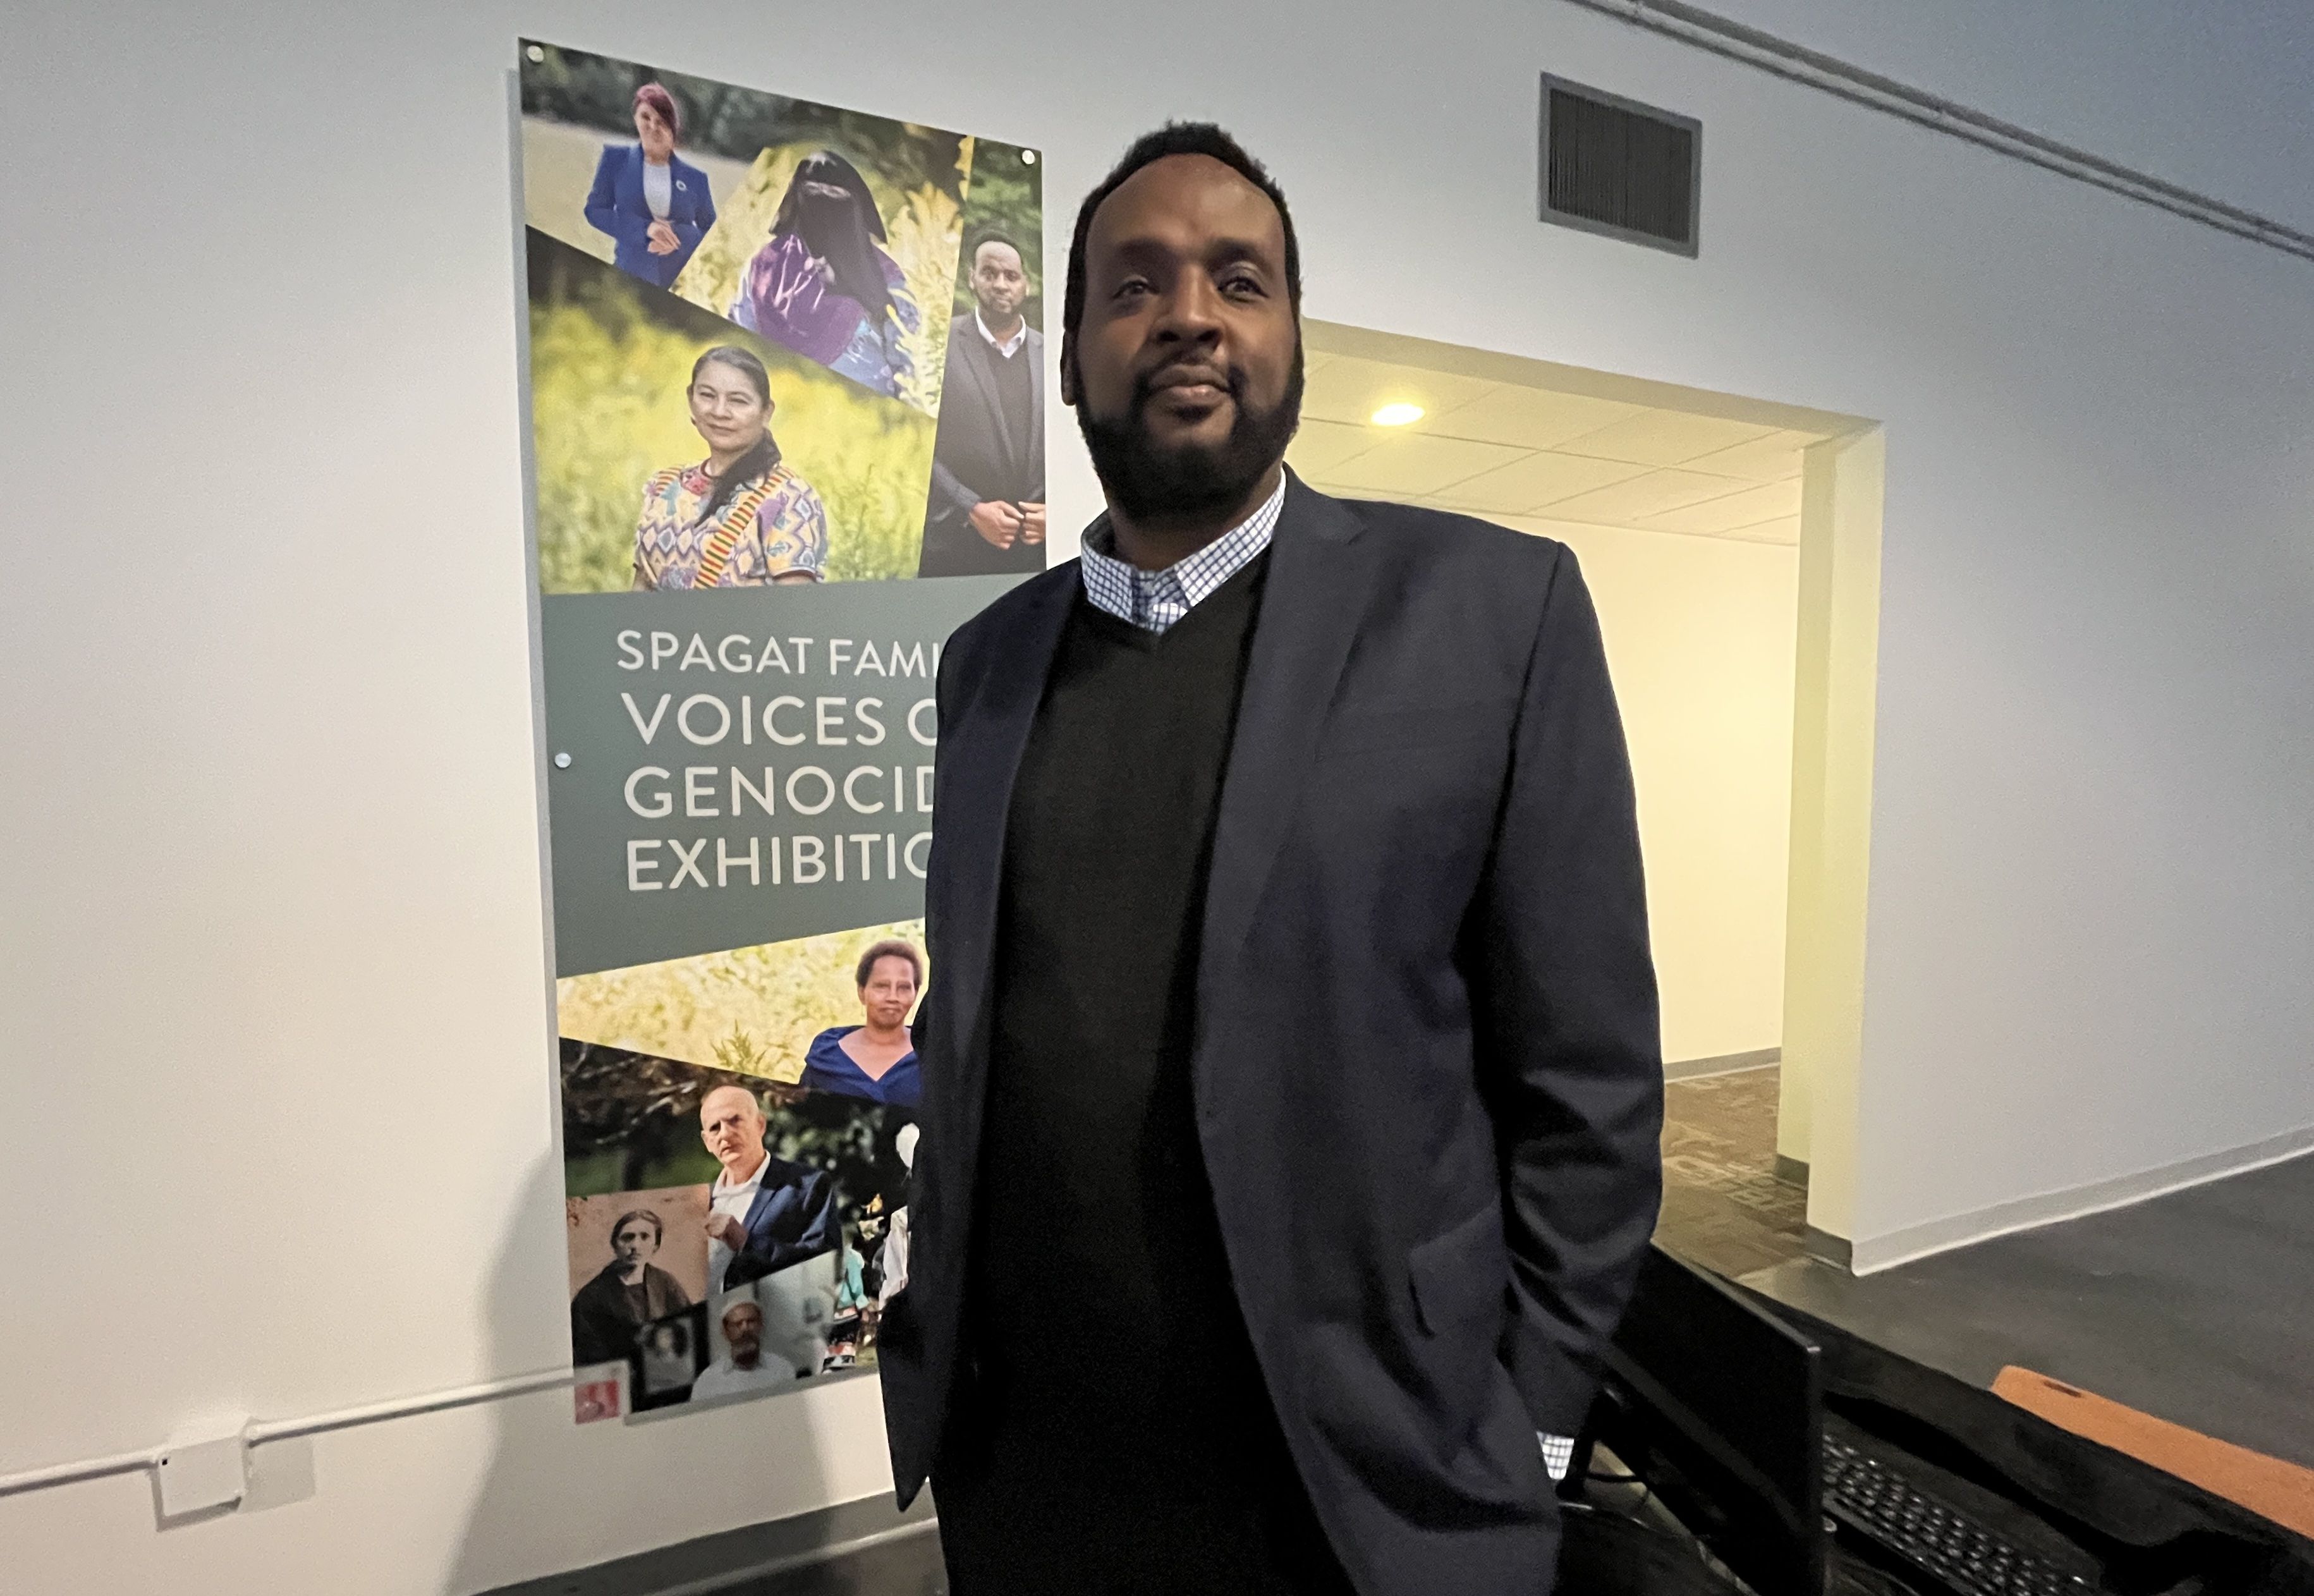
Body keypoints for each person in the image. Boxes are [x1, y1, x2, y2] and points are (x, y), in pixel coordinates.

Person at [876, 126, 1664, 1596]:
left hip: (1364, 1483)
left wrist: (1536, 1421)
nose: (1189, 313)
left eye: (1240, 279)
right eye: (1134, 287)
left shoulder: (1495, 613)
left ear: (1294, 340)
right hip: (1037, 1471)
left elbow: (1591, 1082)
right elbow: (970, 1021)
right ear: (1068, 360)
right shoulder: (986, 664)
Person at [631, 346, 829, 590]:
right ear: (690, 400)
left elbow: (796, 613)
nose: (719, 412)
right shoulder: (664, 486)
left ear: (766, 412)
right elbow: (641, 591)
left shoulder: (787, 498)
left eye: (738, 401)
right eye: (707, 396)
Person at [729, 151, 920, 399]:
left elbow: (907, 359)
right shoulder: (768, 263)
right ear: (797, 199)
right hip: (777, 395)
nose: (824, 205)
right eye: (813, 193)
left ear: (857, 206)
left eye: (835, 195)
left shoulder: (884, 276)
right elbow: (740, 331)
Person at [916, 235, 1047, 577]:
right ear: (971, 278)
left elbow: (1079, 448)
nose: (1001, 285)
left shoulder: (1053, 355)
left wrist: (1058, 513)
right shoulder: (937, 345)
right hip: (954, 553)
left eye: (1011, 276)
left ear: (1027, 286)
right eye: (989, 274)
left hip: (1037, 560)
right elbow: (914, 443)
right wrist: (969, 508)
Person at [699, 1083, 839, 1294]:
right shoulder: (699, 1204)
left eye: (735, 1120)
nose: (725, 1134)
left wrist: (747, 1242)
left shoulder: (807, 1186)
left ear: (760, 1124)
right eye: (714, 1128)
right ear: (707, 1142)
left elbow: (827, 1266)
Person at [583, 82, 716, 290]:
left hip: (681, 285)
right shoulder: (615, 160)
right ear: (636, 118)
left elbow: (712, 233)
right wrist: (647, 230)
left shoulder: (696, 179)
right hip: (628, 276)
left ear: (673, 127)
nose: (653, 126)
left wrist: (677, 235)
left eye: (661, 121)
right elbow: (596, 211)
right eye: (646, 117)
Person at [800, 939, 923, 1107]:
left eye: (904, 988)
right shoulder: (826, 1052)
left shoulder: (930, 1055)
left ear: (915, 995)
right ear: (861, 992)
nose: (893, 997)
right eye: (882, 986)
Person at [568, 1207, 693, 1367]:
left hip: (665, 1374)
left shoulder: (666, 1283)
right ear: (615, 1244)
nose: (635, 1245)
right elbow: (586, 1354)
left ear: (655, 1245)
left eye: (644, 1237)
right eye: (627, 1238)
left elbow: (689, 1328)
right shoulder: (591, 1297)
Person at [689, 1298, 796, 1400]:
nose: (745, 1329)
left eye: (751, 1321)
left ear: (760, 1325)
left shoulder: (783, 1369)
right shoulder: (707, 1381)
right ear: (726, 1332)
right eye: (737, 1324)